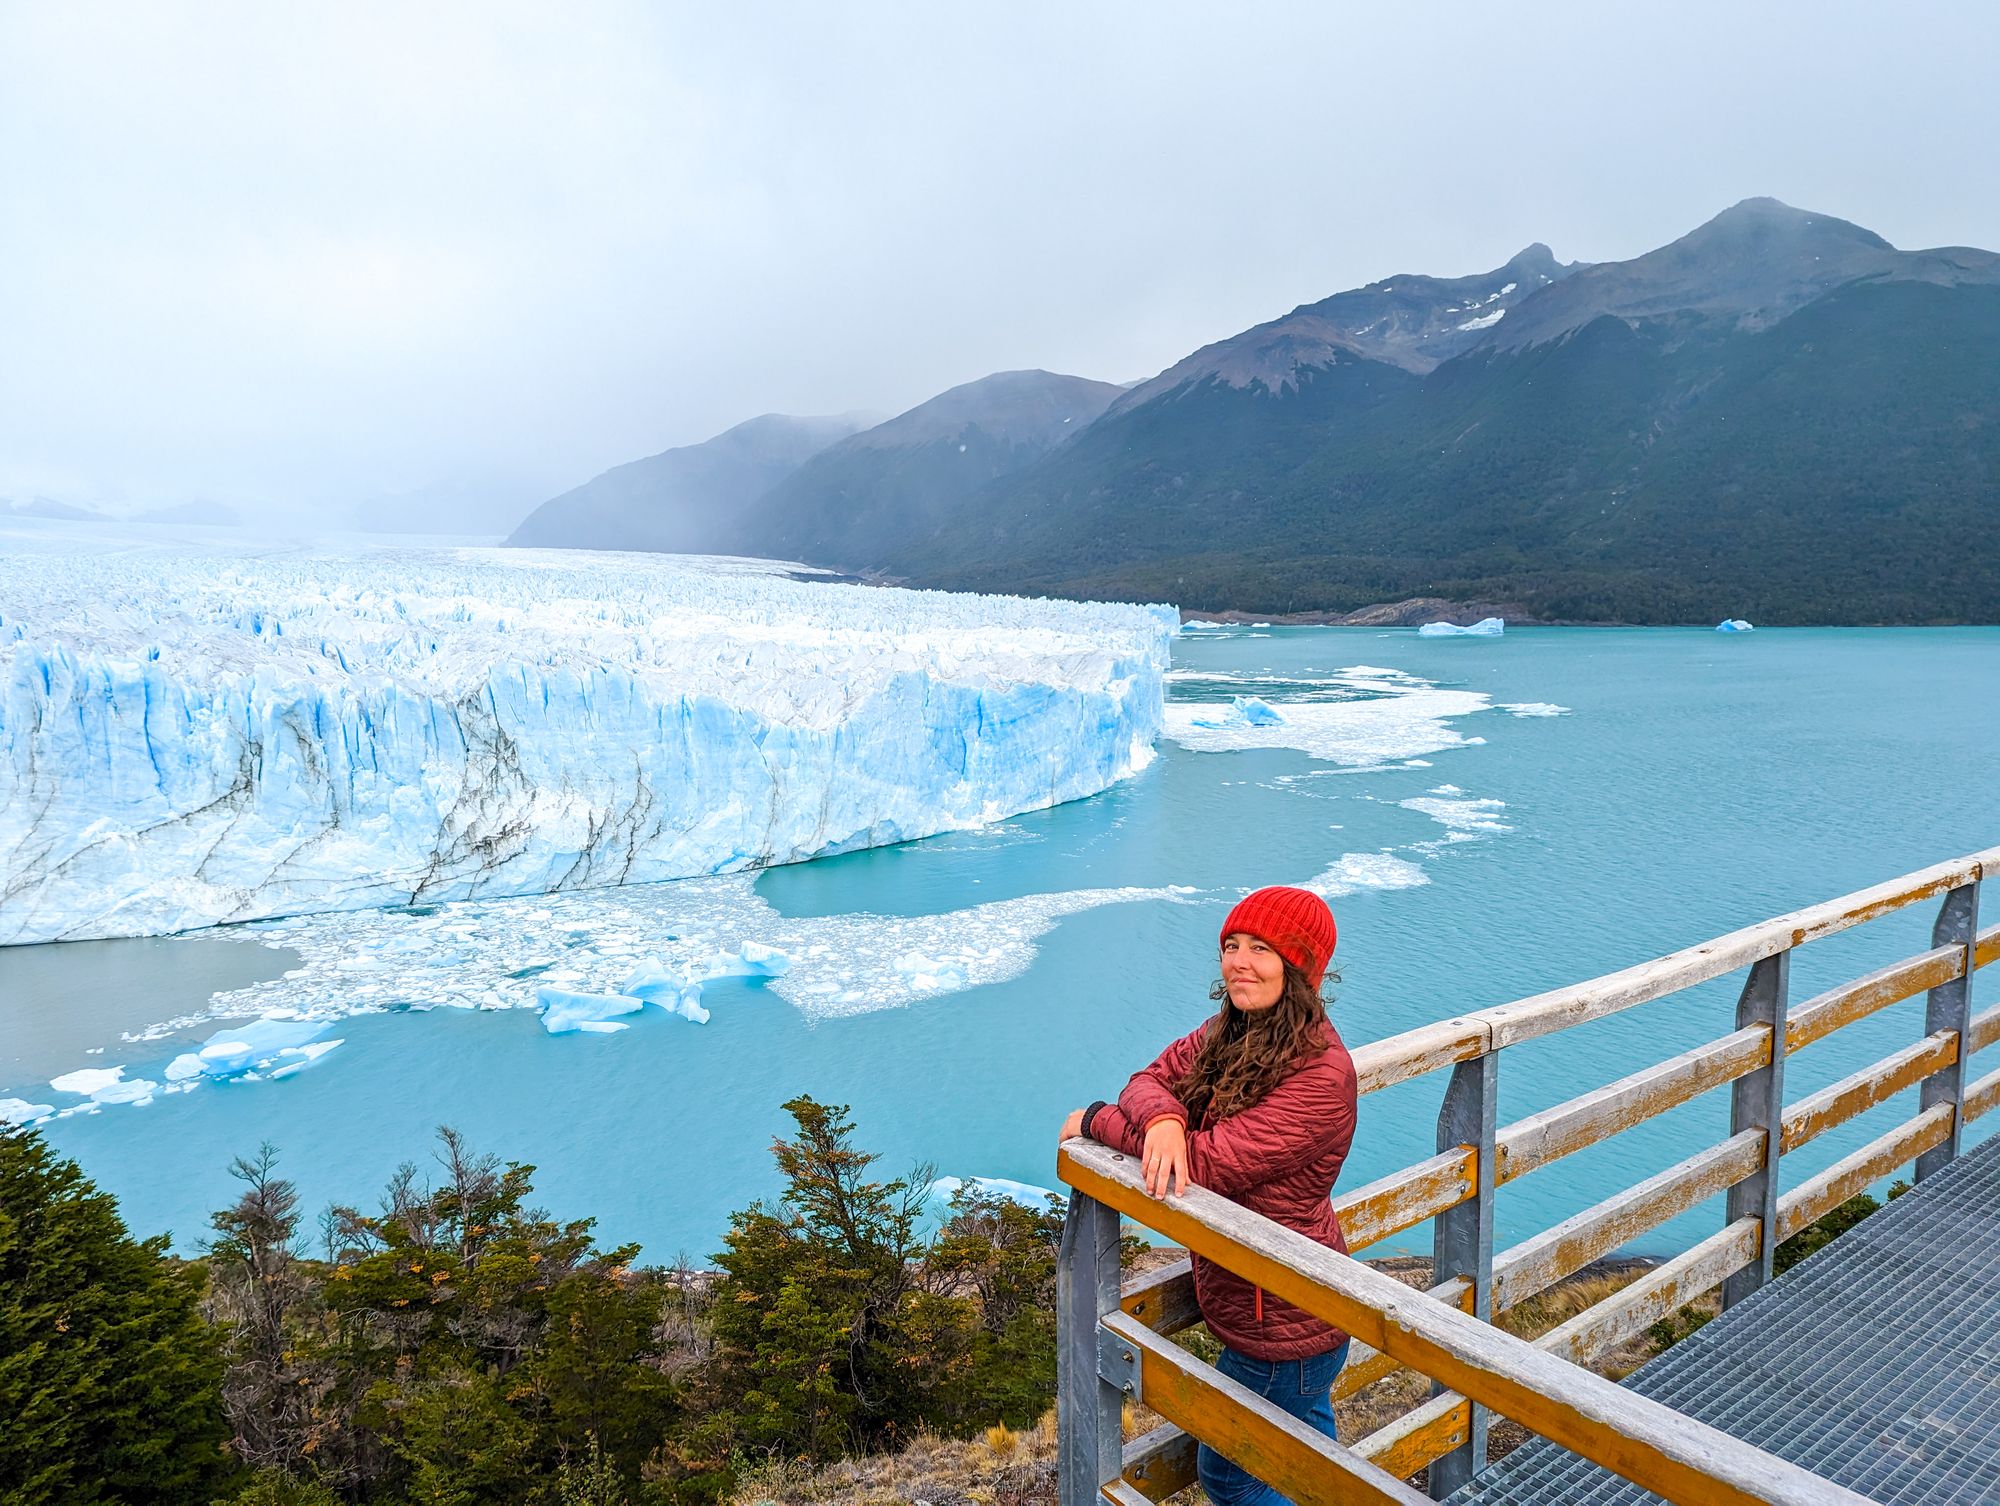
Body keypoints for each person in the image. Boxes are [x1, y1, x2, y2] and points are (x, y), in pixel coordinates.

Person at [1059, 885, 1357, 1506]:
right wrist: (1164, 1120)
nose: (1239, 962)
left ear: (1298, 966)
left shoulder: (1321, 1076)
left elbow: (1203, 1166)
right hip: (1263, 1301)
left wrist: (1095, 1121)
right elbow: (1147, 1080)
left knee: (1230, 1477)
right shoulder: (1233, 1031)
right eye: (1231, 945)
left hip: (1283, 1315)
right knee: (1311, 1466)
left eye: (1260, 949)